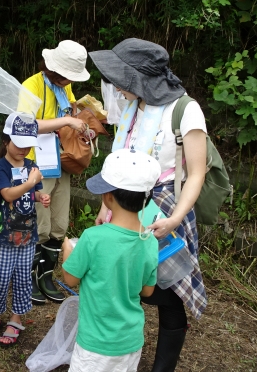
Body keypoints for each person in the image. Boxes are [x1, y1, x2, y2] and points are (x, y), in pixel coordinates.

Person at [90, 38, 208, 372]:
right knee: (128, 283)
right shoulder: (132, 105)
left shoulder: (185, 110)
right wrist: (106, 205)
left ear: (140, 79)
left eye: (120, 79)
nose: (115, 86)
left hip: (166, 206)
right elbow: (118, 161)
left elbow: (197, 173)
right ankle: (120, 353)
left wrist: (175, 218)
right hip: (125, 206)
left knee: (170, 292)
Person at [62, 149, 161, 372]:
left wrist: (67, 251)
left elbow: (70, 279)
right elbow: (147, 291)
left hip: (94, 344)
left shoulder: (92, 237)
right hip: (130, 341)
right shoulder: (150, 241)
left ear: (108, 196)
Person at [22, 39, 90, 304]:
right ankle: (29, 277)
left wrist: (84, 125)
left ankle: (45, 276)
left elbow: (71, 111)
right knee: (40, 223)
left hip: (61, 161)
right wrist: (66, 121)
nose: (68, 81)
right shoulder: (32, 86)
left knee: (59, 224)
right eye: (65, 76)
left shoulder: (66, 86)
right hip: (37, 162)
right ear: (53, 69)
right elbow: (24, 126)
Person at [0, 113, 50, 346]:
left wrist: (40, 195)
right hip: (4, 235)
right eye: (19, 143)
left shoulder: (32, 167)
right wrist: (29, 183)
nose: (24, 149)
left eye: (29, 145)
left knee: (21, 278)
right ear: (6, 141)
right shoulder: (0, 167)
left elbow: (31, 193)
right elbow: (7, 194)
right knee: (0, 276)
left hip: (27, 234)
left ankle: (16, 318)